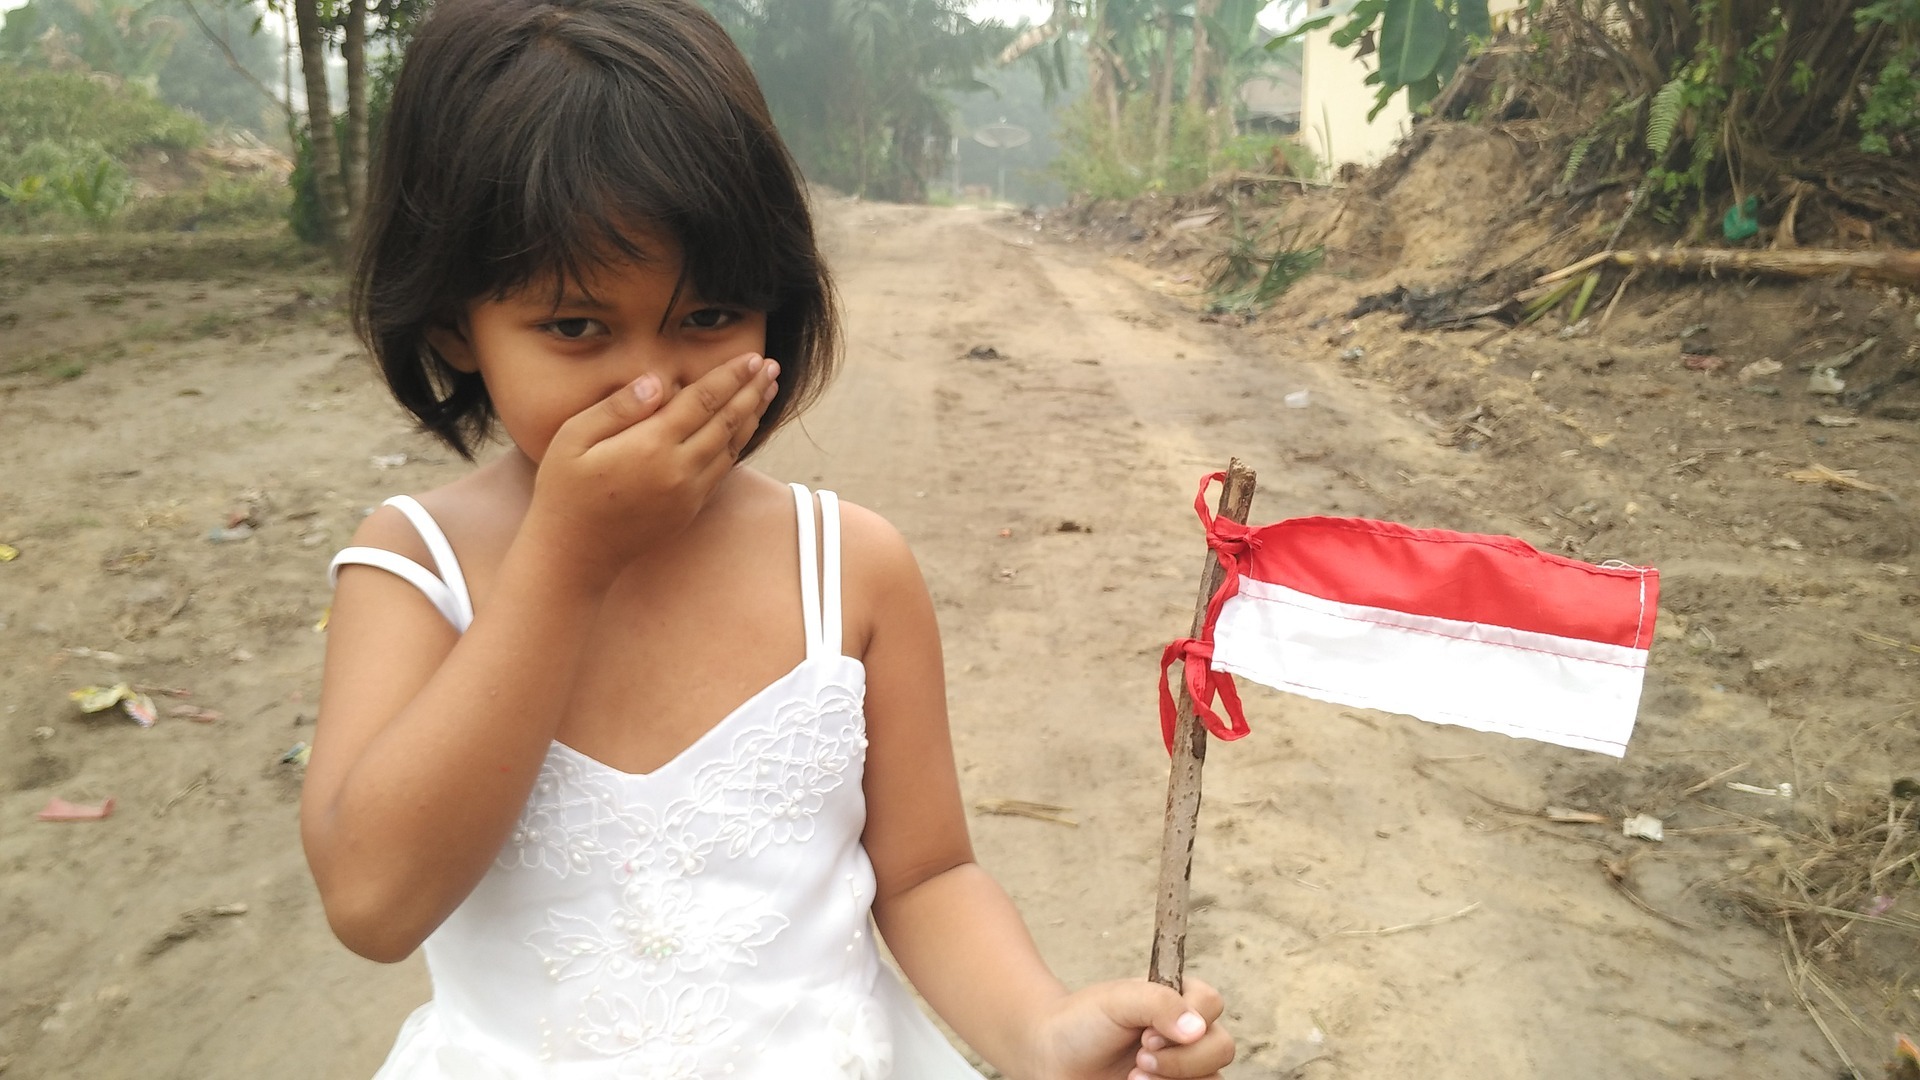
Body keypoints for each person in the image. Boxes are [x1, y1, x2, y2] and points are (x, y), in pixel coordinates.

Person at [303, 1, 1237, 1077]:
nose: (654, 385)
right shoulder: (414, 570)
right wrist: (565, 563)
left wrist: (1037, 1034)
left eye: (708, 319)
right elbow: (373, 903)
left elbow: (926, 876)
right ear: (453, 327)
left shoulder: (851, 568)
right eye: (575, 328)